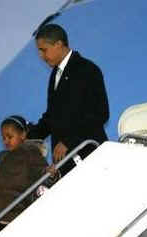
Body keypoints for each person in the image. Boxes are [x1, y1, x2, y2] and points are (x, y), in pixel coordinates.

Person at [28, 24, 109, 176]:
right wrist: (27, 137)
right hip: (67, 165)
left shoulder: (87, 69)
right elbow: (52, 117)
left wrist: (69, 141)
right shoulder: (55, 75)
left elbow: (100, 113)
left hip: (91, 157)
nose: (41, 56)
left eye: (43, 50)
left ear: (59, 44)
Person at [0, 115, 56, 237]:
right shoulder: (3, 157)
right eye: (3, 138)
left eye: (10, 137)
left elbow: (42, 173)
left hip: (11, 214)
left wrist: (51, 174)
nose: (6, 141)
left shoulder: (31, 152)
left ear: (23, 135)